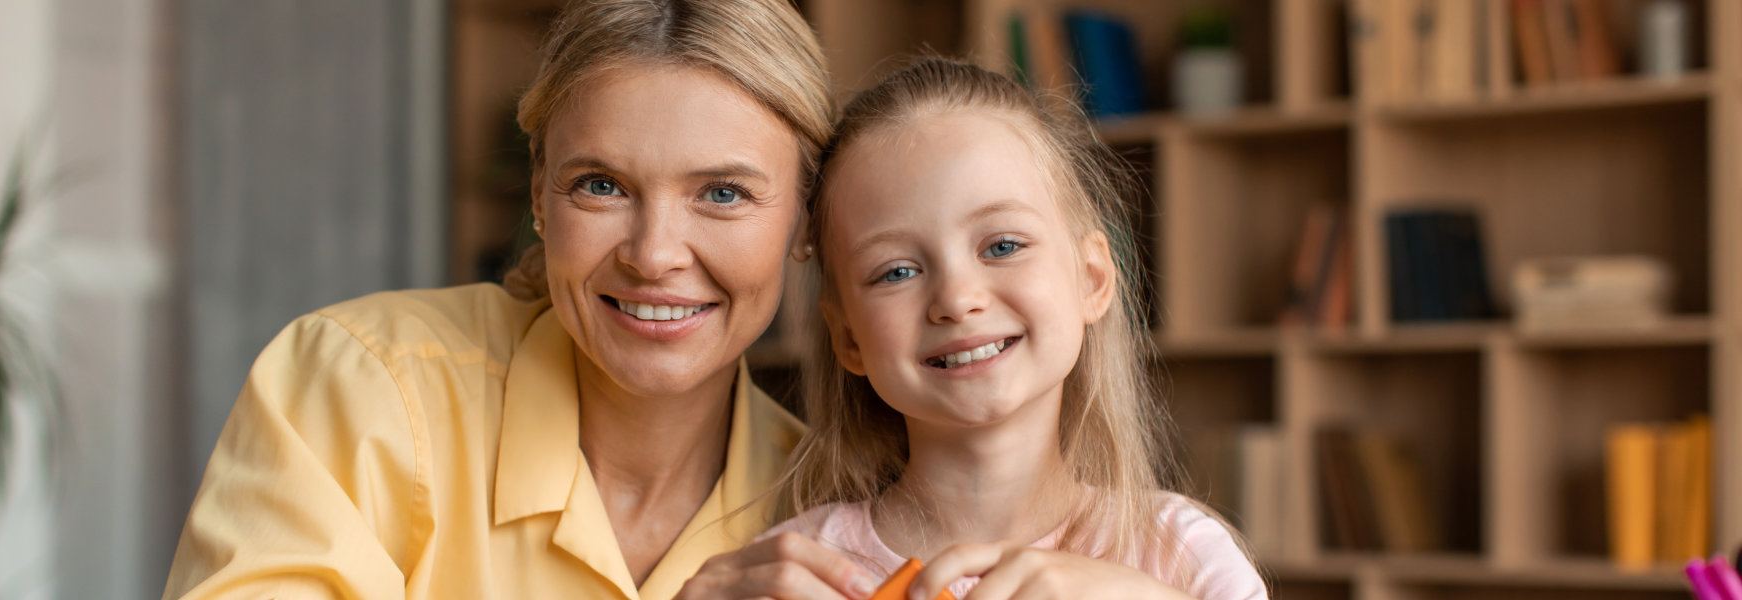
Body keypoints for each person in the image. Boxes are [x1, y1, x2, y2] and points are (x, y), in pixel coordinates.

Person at [159, 1, 835, 598]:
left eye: (723, 194)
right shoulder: (361, 387)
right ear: (540, 194)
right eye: (601, 185)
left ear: (806, 222)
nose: (653, 255)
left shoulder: (833, 514)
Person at [731, 57, 1269, 599]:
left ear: (1093, 278)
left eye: (1003, 246)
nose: (958, 300)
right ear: (848, 337)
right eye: (896, 271)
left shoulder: (1181, 555)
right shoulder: (794, 572)